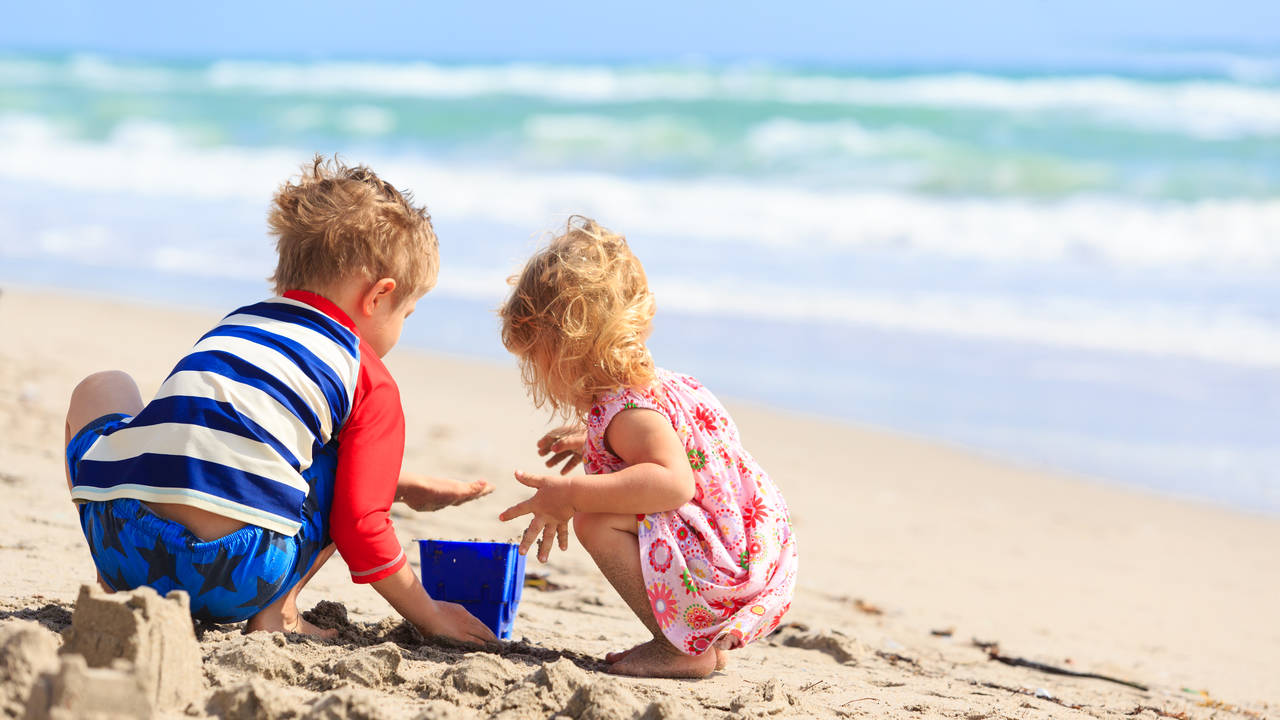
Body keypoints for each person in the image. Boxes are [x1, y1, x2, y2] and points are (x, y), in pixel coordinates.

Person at [63, 156, 495, 644]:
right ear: (378, 296)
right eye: (407, 314)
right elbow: (359, 524)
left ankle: (111, 586)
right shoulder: (365, 373)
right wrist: (430, 613)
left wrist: (397, 483)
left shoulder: (238, 324)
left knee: (101, 385)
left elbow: (217, 446)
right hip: (238, 573)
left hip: (123, 546)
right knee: (335, 452)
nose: (400, 331)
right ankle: (279, 611)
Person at [497, 216, 797, 678]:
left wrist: (572, 494)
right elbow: (671, 447)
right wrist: (595, 443)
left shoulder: (627, 413)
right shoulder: (652, 390)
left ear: (569, 348)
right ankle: (687, 639)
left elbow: (671, 483)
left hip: (723, 566)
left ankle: (682, 648)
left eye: (538, 361)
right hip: (747, 545)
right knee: (604, 511)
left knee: (595, 522)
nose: (539, 378)